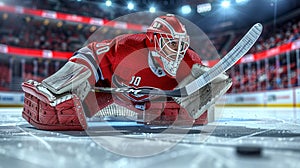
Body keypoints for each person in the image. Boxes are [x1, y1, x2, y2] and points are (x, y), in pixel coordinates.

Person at [22, 14, 232, 130]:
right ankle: (54, 91)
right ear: (154, 40)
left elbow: (199, 110)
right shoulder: (128, 47)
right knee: (70, 108)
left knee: (190, 116)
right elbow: (91, 54)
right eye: (171, 44)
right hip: (110, 90)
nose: (178, 52)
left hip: (142, 104)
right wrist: (70, 79)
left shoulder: (190, 62)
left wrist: (206, 85)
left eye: (181, 45)